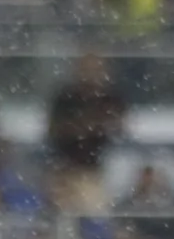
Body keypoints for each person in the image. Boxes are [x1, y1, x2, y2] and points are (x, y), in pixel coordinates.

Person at [46, 53, 128, 215]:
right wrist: (85, 126)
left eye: (95, 68)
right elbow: (55, 130)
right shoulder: (66, 98)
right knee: (61, 206)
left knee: (94, 210)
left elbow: (118, 128)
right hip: (65, 166)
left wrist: (88, 125)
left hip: (100, 170)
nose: (90, 73)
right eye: (86, 68)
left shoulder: (111, 98)